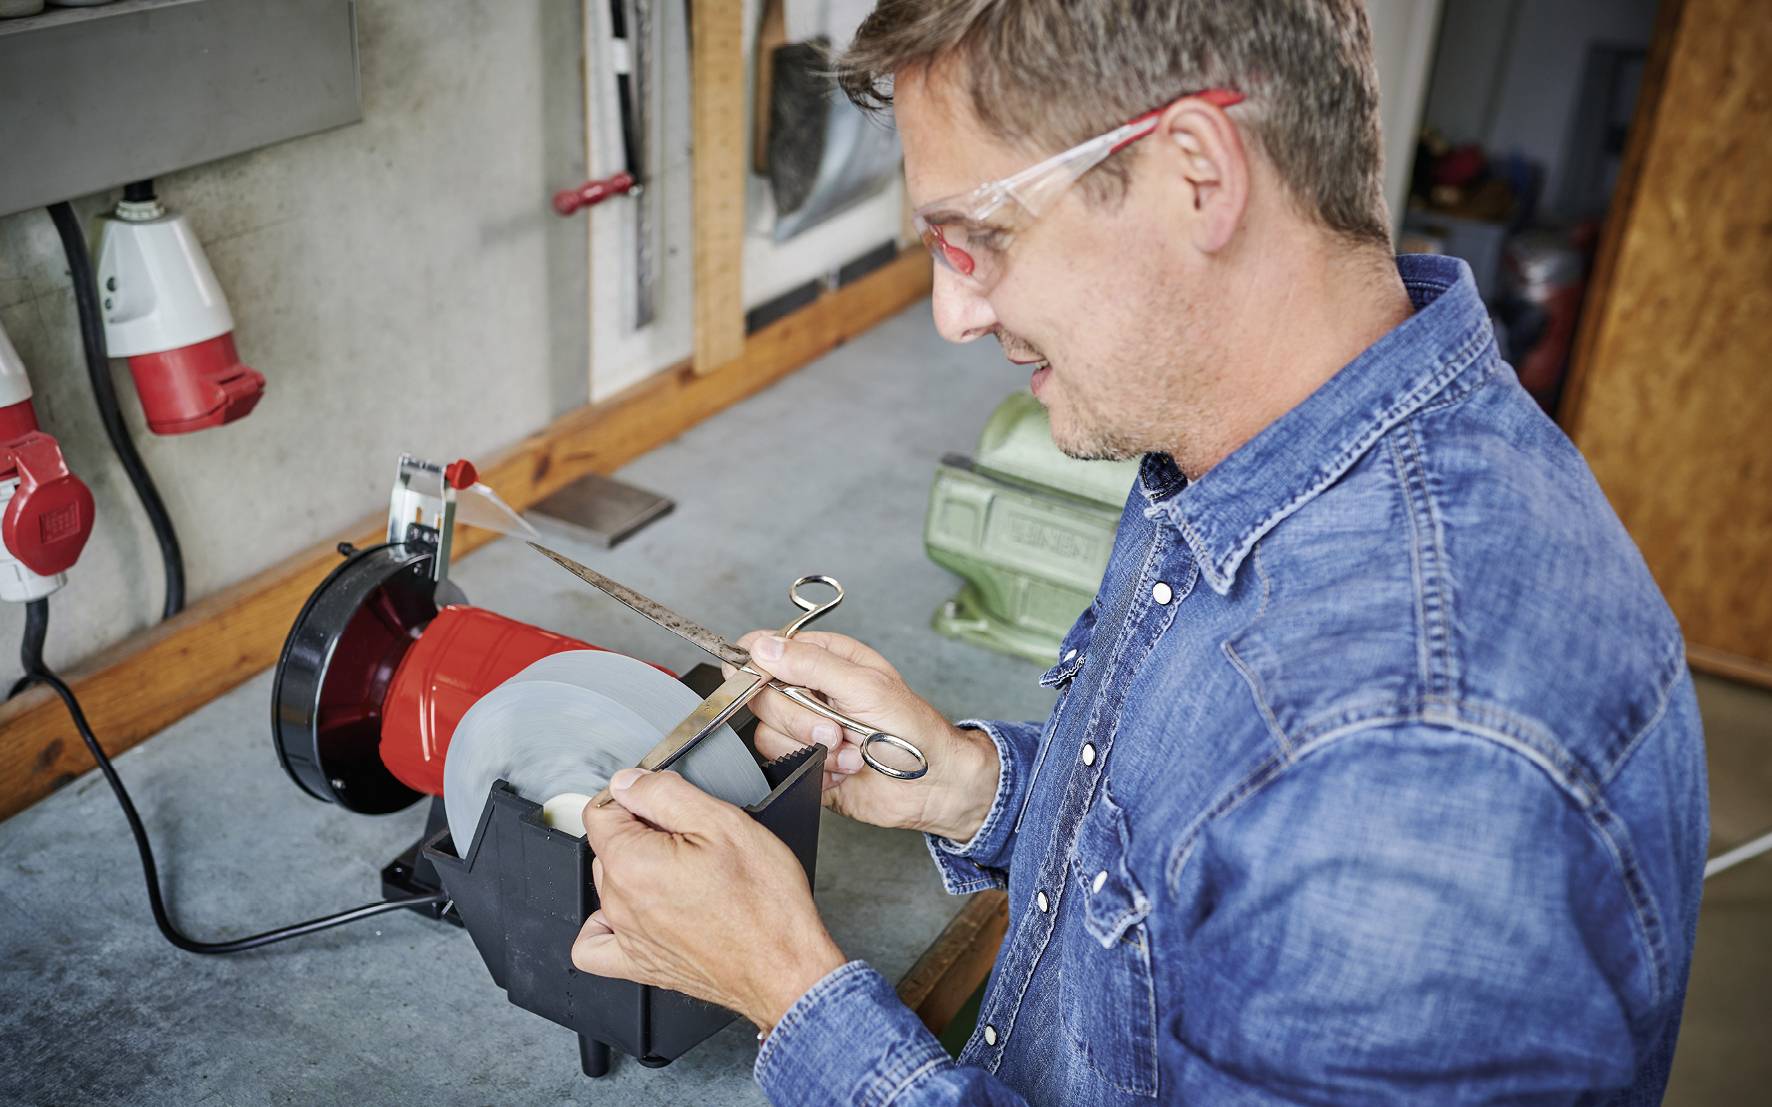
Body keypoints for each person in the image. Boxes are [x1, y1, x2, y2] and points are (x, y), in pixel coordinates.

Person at [569, 2, 1709, 1103]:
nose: (950, 314)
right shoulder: (1248, 444)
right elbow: (1196, 857)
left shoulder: (1414, 756)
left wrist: (787, 989)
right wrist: (968, 787)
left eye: (978, 237)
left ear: (1193, 177)